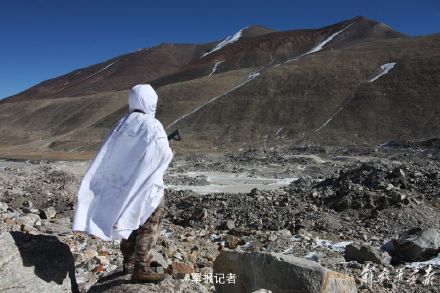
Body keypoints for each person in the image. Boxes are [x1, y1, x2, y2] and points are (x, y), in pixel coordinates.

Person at [72, 84, 173, 283]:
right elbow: (162, 154)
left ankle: (128, 262)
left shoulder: (122, 123)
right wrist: (171, 152)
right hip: (146, 184)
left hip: (123, 185)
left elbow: (109, 153)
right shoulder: (153, 125)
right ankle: (141, 267)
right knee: (150, 222)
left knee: (128, 217)